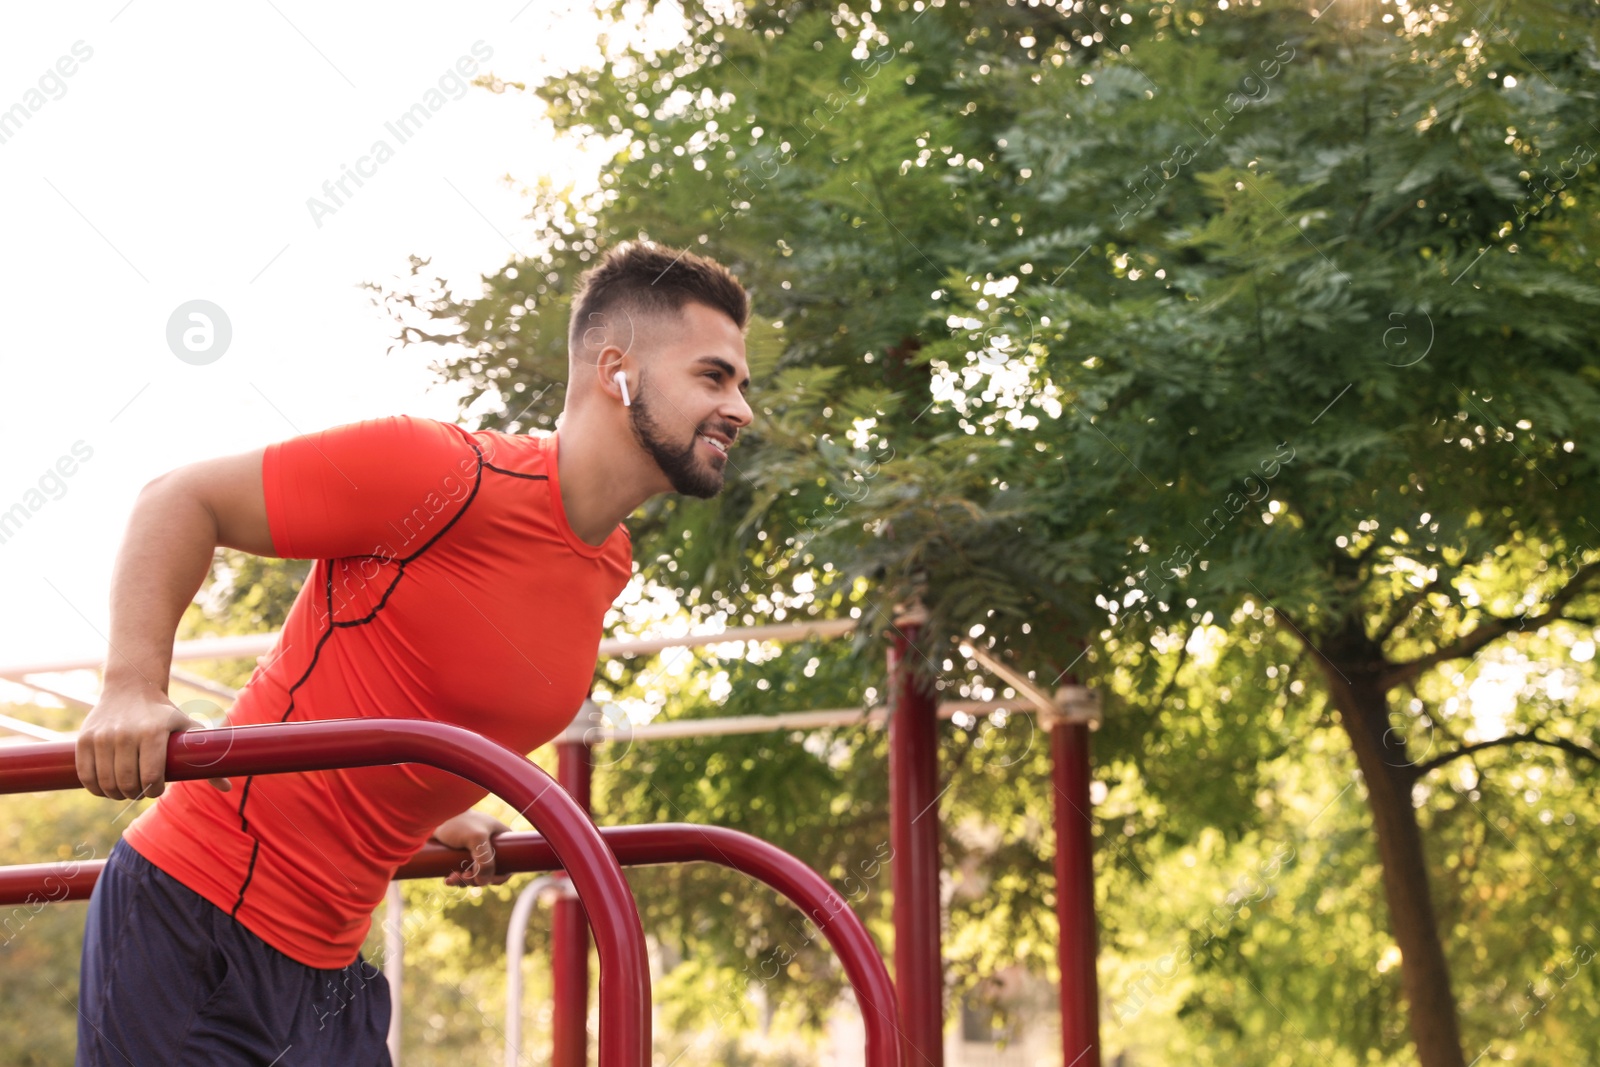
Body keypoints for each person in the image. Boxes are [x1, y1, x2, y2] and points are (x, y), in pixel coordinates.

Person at [71, 242, 754, 1065]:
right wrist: (131, 688)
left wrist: (423, 810)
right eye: (715, 377)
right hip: (197, 920)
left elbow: (419, 683)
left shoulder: (608, 562)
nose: (741, 408)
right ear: (619, 370)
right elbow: (178, 499)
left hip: (330, 969)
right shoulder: (444, 474)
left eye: (740, 385)